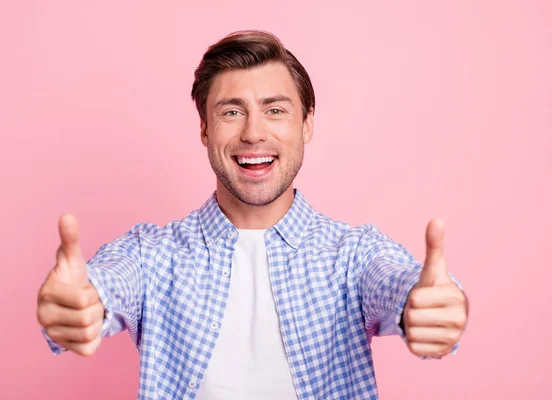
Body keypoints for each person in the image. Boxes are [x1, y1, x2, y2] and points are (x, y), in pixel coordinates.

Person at [37, 30, 469, 400]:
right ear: (205, 128)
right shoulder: (151, 254)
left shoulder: (355, 255)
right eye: (231, 111)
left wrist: (431, 306)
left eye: (275, 110)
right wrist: (81, 305)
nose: (254, 132)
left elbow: (399, 284)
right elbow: (106, 286)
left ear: (306, 125)